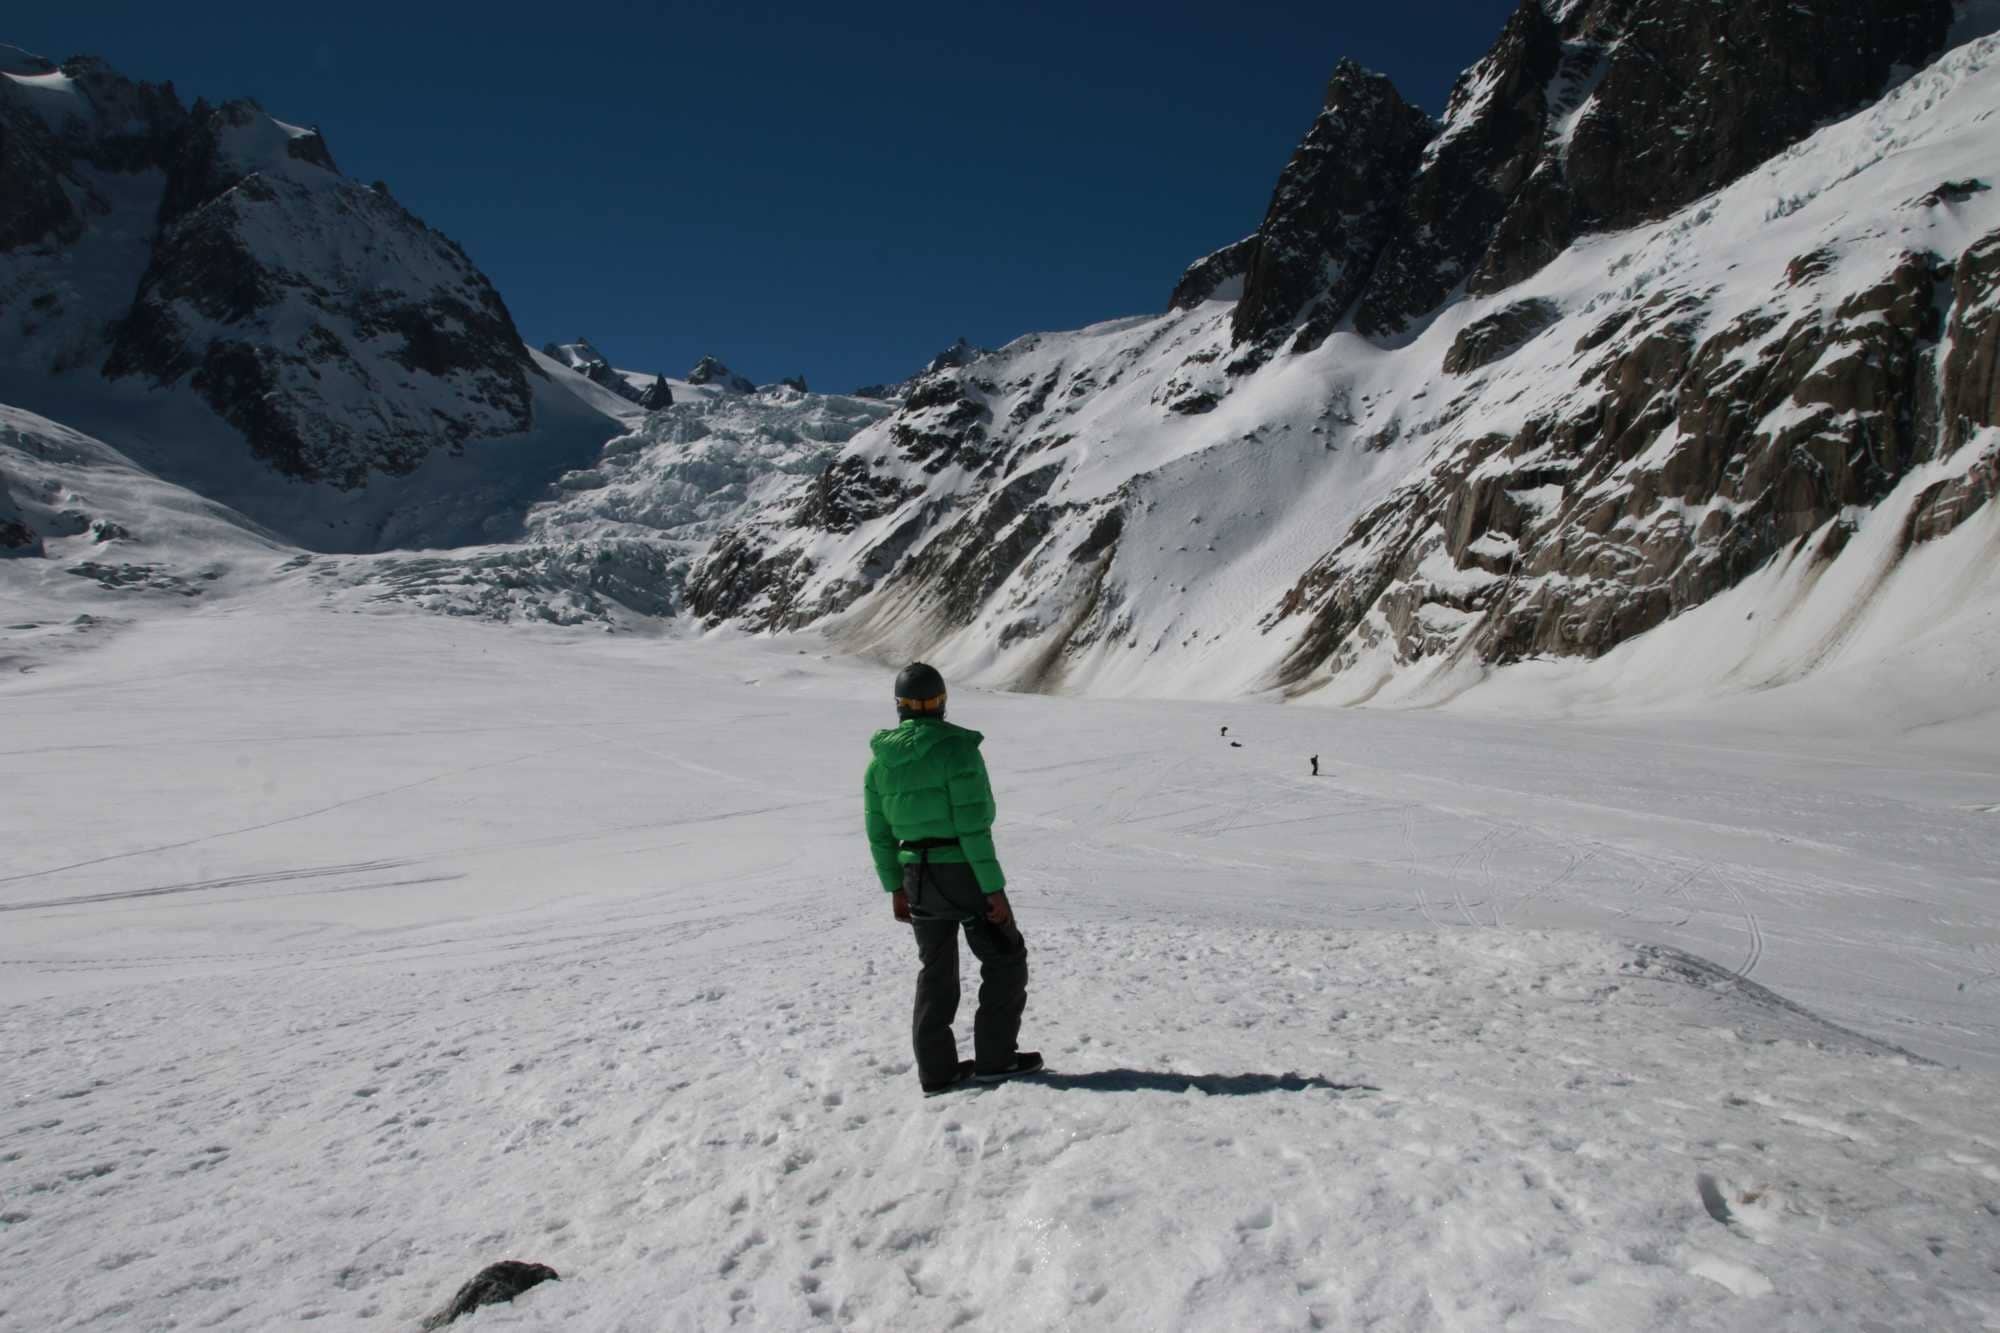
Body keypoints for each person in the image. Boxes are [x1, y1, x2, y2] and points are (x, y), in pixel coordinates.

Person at [864, 662, 1040, 1095]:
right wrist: (993, 889)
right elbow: (974, 826)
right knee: (1004, 958)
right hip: (960, 870)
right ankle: (996, 1059)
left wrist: (894, 888)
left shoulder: (879, 763)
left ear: (900, 707)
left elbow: (879, 832)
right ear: (941, 702)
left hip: (915, 876)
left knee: (935, 971)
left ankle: (937, 1071)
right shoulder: (958, 751)